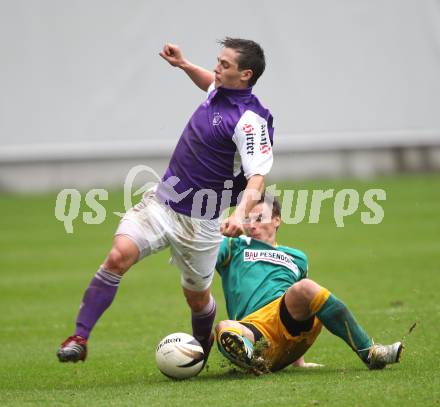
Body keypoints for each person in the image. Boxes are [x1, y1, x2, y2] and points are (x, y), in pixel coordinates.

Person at [57, 37, 274, 365]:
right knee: (118, 256)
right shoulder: (219, 88)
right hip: (163, 202)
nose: (216, 68)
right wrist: (185, 65)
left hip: (202, 222)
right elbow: (208, 80)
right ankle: (79, 338)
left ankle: (199, 353)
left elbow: (257, 176)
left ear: (245, 75)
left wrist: (239, 214)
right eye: (217, 61)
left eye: (224, 65)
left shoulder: (250, 121)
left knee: (198, 300)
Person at [214, 193, 404, 374]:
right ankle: (252, 357)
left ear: (276, 220)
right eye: (247, 219)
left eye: (259, 218)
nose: (252, 225)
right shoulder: (233, 245)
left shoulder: (297, 258)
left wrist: (300, 362)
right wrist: (217, 235)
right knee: (223, 328)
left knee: (304, 288)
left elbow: (303, 301)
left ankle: (370, 352)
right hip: (254, 329)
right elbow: (202, 257)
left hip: (284, 318)